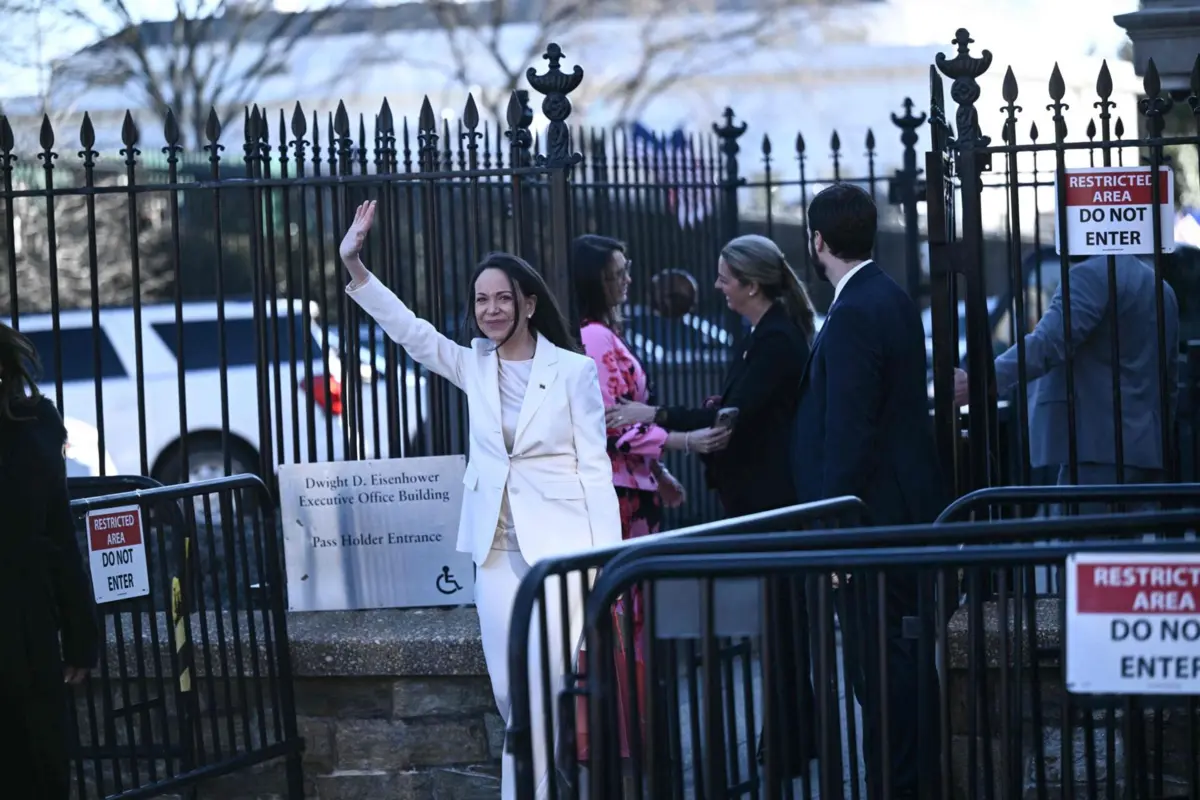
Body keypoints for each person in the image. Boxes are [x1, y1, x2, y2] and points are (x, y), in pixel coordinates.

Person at [339, 201, 621, 800]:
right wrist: (355, 265)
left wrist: (607, 561)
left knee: (539, 687)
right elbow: (412, 333)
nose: (490, 310)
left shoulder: (572, 372)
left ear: (528, 303)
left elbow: (596, 469)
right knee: (507, 690)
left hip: (562, 553)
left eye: (502, 298)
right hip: (494, 551)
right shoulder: (473, 365)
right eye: (481, 300)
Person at [603, 233, 818, 777]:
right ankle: (791, 732)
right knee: (777, 621)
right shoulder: (761, 334)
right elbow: (735, 408)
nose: (717, 286)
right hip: (757, 498)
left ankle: (792, 738)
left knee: (781, 622)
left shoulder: (774, 340)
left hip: (771, 501)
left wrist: (649, 414)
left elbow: (734, 420)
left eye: (724, 277)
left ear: (750, 284)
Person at [789, 183, 944, 799]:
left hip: (870, 519)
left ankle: (899, 785)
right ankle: (908, 780)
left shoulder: (855, 310)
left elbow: (850, 428)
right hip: (895, 510)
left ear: (818, 240)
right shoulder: (890, 296)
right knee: (895, 663)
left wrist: (832, 526)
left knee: (880, 669)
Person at [571, 233, 690, 764]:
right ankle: (622, 739)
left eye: (627, 266)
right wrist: (683, 441)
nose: (627, 277)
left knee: (631, 617)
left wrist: (659, 467)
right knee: (625, 618)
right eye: (618, 270)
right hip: (620, 497)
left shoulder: (602, 334)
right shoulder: (595, 339)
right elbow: (612, 420)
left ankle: (629, 734)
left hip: (633, 491)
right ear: (595, 279)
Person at [953, 254, 1179, 510]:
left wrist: (980, 382)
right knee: (1126, 547)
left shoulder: (1091, 275)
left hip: (1096, 452)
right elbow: (1169, 379)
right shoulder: (1161, 287)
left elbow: (1048, 342)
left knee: (1083, 543)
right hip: (1146, 450)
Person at [0, 321, 100, 799]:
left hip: (26, 624)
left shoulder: (35, 426)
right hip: (28, 625)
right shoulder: (36, 426)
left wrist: (80, 635)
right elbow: (59, 535)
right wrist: (80, 633)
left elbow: (58, 533)